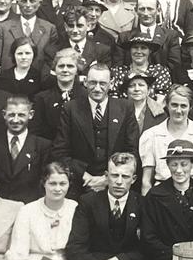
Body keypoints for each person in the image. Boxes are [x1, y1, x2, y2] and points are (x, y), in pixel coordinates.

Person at [51, 63, 140, 197]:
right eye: (93, 82)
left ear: (111, 83)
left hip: (116, 184)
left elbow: (132, 150)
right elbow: (60, 151)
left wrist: (108, 178)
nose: (97, 88)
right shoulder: (71, 108)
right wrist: (84, 176)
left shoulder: (125, 108)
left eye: (102, 83)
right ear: (85, 82)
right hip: (80, 185)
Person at [139, 85, 193, 194]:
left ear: (190, 107)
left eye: (183, 106)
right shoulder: (151, 135)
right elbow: (146, 181)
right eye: (174, 105)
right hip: (162, 194)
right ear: (167, 105)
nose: (178, 110)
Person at [0, 96, 51, 204]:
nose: (16, 120)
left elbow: (45, 182)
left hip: (29, 208)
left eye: (21, 115)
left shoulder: (42, 146)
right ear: (4, 115)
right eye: (11, 115)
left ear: (30, 115)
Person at [0, 0, 56, 73]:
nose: (28, 5)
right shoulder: (3, 28)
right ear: (17, 3)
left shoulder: (49, 28)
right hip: (10, 81)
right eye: (24, 1)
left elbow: (52, 60)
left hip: (40, 82)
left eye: (32, 1)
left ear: (39, 3)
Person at [31, 48, 84, 140]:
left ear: (77, 70)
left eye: (70, 66)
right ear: (55, 69)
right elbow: (36, 133)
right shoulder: (42, 99)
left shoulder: (86, 97)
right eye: (61, 66)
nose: (65, 70)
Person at [124, 0, 183, 77]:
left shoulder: (170, 36)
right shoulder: (125, 37)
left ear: (158, 10)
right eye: (142, 9)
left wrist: (157, 78)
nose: (145, 13)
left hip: (164, 82)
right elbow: (121, 65)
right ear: (136, 10)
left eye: (150, 9)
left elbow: (174, 64)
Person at [45, 7, 112, 76]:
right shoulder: (52, 51)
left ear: (88, 26)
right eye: (71, 26)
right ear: (65, 27)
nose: (75, 30)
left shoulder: (101, 51)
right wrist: (78, 80)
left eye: (79, 26)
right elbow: (48, 79)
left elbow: (105, 77)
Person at [110, 34, 172, 99]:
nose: (139, 51)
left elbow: (161, 101)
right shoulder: (118, 72)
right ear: (130, 50)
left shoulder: (159, 72)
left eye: (143, 48)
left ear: (150, 51)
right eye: (135, 47)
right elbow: (113, 100)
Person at [122, 71, 166, 135]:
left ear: (148, 90)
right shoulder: (116, 111)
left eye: (141, 85)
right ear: (126, 91)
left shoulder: (160, 114)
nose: (137, 89)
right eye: (132, 86)